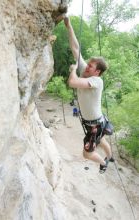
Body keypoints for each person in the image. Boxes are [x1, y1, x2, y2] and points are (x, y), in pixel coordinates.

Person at [64, 16, 114, 173]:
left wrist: (73, 70)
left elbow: (72, 82)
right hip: (95, 121)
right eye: (88, 65)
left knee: (87, 153)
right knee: (102, 139)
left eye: (90, 66)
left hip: (94, 125)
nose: (86, 67)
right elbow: (76, 49)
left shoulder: (96, 81)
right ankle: (110, 156)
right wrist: (69, 25)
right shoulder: (87, 71)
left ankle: (103, 162)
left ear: (97, 71)